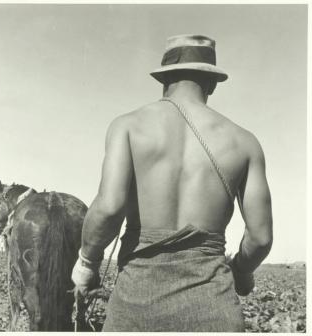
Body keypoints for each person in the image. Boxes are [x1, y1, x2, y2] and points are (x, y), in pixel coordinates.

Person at [71, 34, 273, 332]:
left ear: (164, 79)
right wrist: (241, 272)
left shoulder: (127, 126)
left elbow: (110, 208)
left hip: (136, 307)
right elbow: (260, 238)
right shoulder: (245, 142)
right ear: (212, 83)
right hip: (214, 309)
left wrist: (87, 263)